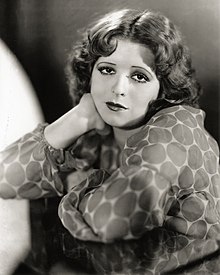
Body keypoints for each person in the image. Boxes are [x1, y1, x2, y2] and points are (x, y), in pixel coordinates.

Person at [0, 8, 220, 245]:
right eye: (107, 70)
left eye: (139, 77)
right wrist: (77, 119)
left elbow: (111, 220)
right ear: (90, 74)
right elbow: (5, 179)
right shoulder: (100, 133)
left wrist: (77, 182)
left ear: (164, 87)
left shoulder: (177, 129)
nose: (118, 88)